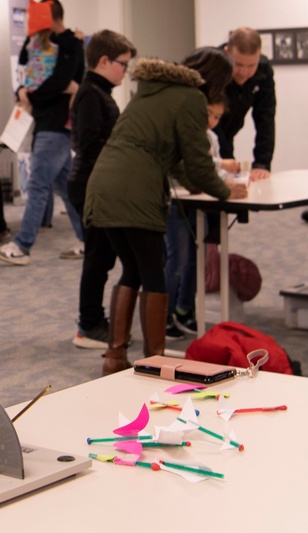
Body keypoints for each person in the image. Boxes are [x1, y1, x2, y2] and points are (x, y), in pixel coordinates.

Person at [85, 47, 248, 375]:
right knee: (154, 270)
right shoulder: (191, 99)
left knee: (132, 268)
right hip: (135, 190)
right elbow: (200, 163)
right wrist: (224, 190)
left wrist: (204, 184)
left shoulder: (152, 92)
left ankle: (115, 356)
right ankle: (155, 357)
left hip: (103, 186)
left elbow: (174, 159)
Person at [0, 0, 85, 265]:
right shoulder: (35, 44)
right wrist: (22, 91)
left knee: (38, 185)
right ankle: (88, 240)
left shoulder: (71, 43)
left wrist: (31, 95)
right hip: (46, 124)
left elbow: (62, 81)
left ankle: (22, 245)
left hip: (56, 126)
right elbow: (24, 77)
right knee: (65, 188)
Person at [67, 30, 137, 349]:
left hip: (97, 183)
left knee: (103, 254)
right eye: (123, 64)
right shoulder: (90, 94)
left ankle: (94, 319)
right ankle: (89, 325)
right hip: (90, 184)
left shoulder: (99, 91)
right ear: (104, 61)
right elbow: (92, 144)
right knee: (98, 255)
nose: (126, 70)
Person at [165, 95, 240, 340]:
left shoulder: (214, 137)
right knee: (178, 259)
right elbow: (195, 163)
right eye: (210, 114)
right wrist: (220, 166)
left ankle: (184, 308)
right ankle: (164, 316)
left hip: (202, 202)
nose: (213, 120)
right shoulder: (187, 132)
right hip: (178, 200)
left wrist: (228, 178)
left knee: (198, 256)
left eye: (218, 117)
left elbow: (211, 170)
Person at [215, 27, 276, 181]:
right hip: (206, 132)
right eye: (238, 65)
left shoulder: (263, 70)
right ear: (227, 52)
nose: (244, 72)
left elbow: (265, 117)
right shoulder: (212, 66)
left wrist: (262, 163)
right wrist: (226, 158)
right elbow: (207, 120)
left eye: (251, 66)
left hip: (231, 129)